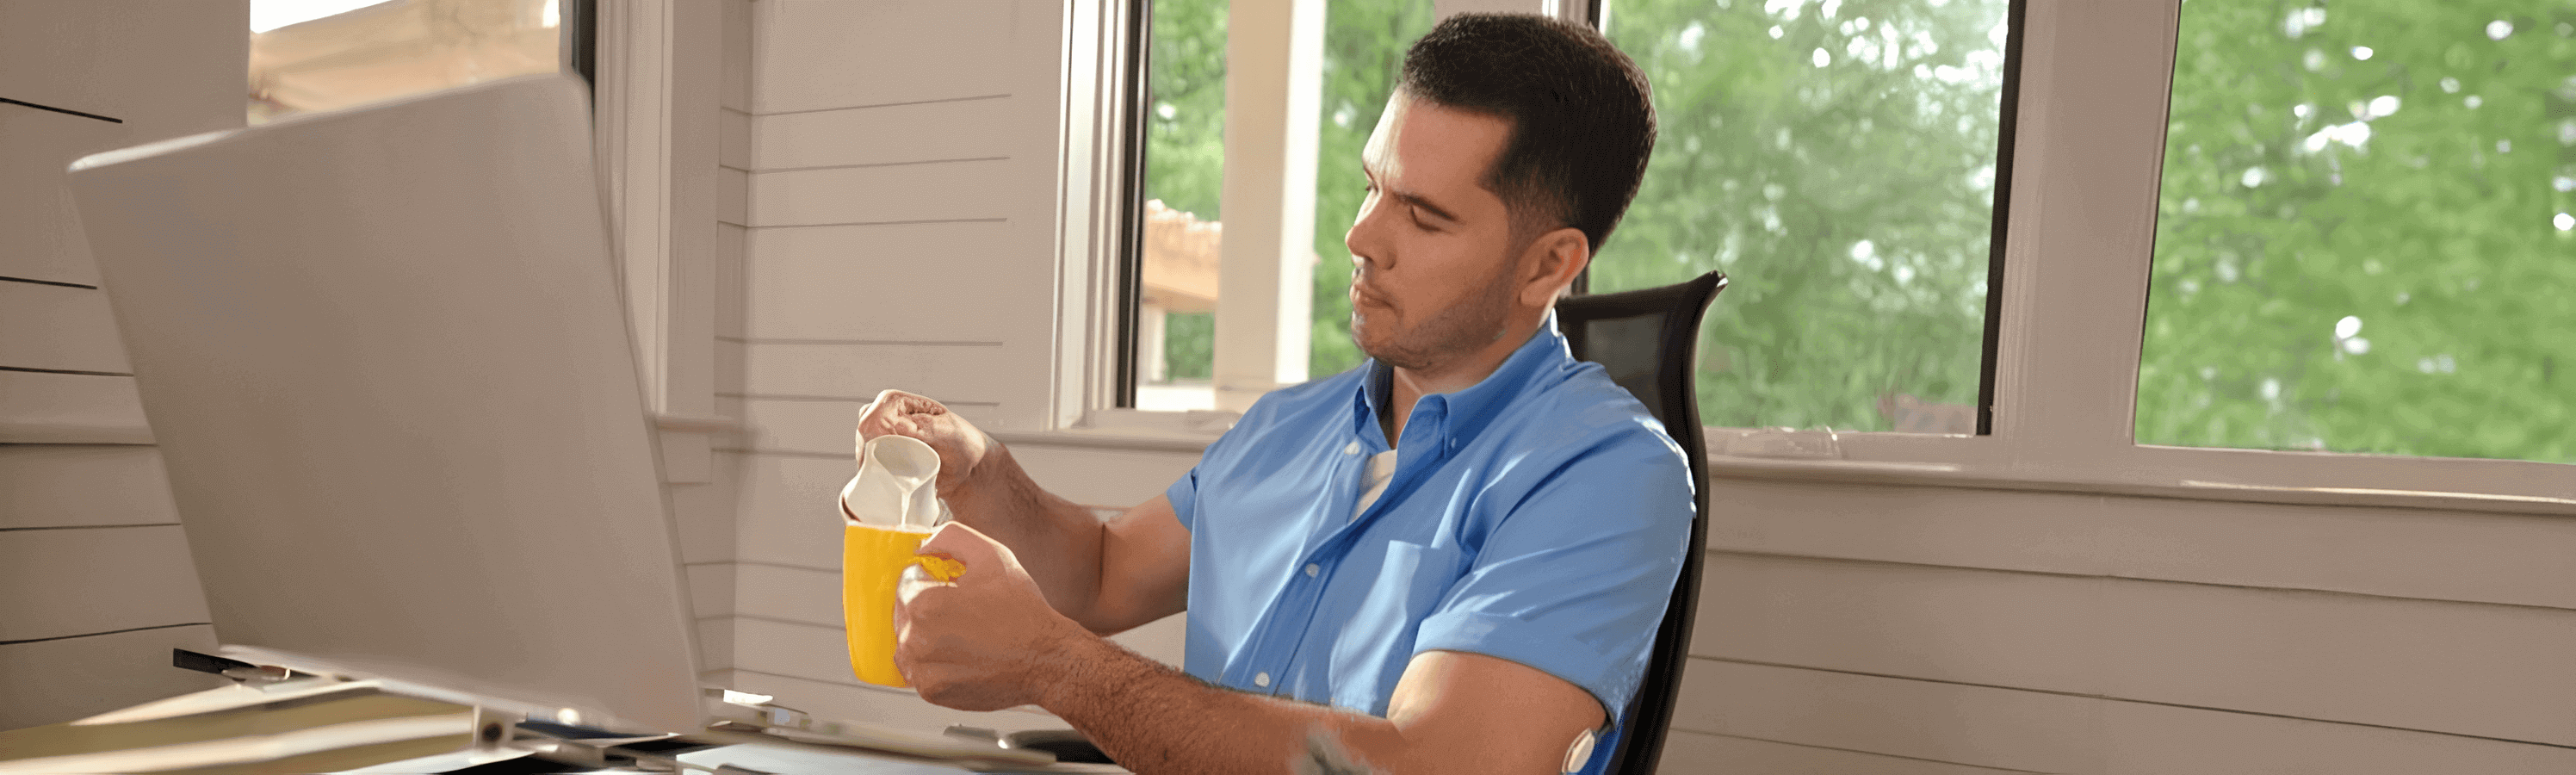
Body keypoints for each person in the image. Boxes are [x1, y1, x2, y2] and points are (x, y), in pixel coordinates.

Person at [857, 14, 1687, 775]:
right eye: (1372, 186)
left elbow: (1429, 765)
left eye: (1423, 217)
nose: (1363, 237)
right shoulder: (1289, 427)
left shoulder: (1607, 475)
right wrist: (981, 472)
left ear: (1548, 265)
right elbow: (1104, 575)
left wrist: (1053, 665)